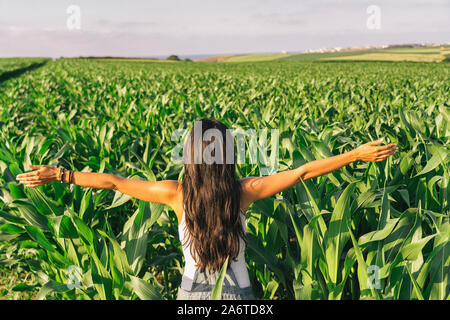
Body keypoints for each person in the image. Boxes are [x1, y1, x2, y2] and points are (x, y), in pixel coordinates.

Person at [15, 118, 397, 300]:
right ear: (227, 156)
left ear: (191, 158)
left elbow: (114, 182)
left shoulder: (174, 193)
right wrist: (356, 154)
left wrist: (61, 174)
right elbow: (301, 172)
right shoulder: (244, 192)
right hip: (241, 295)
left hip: (190, 294)